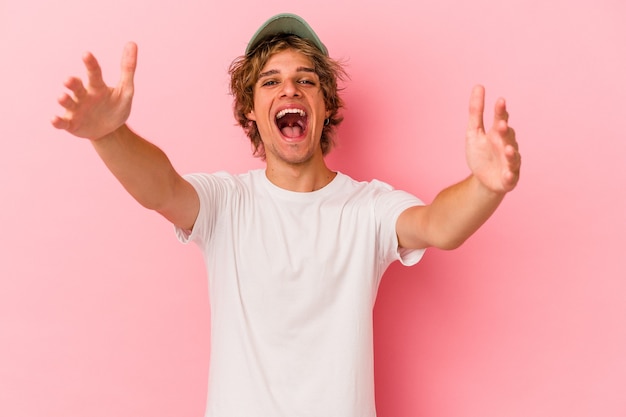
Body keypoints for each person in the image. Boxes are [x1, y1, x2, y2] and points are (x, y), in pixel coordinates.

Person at [51, 13, 520, 417]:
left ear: (325, 106)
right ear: (250, 111)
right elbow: (162, 188)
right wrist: (109, 135)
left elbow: (438, 225)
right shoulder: (225, 203)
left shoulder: (368, 208)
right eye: (270, 81)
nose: (289, 88)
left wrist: (485, 186)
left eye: (306, 80)